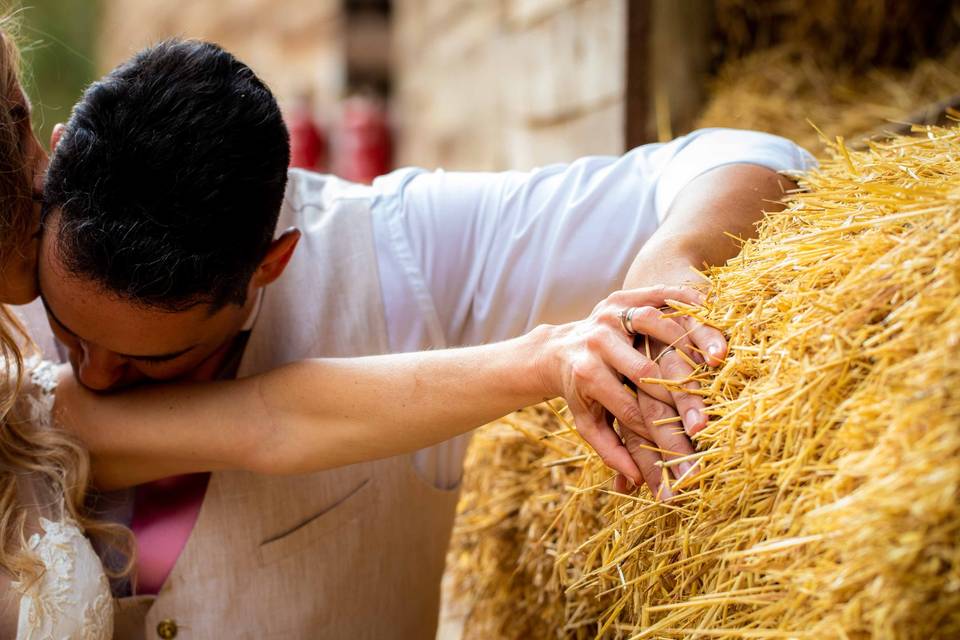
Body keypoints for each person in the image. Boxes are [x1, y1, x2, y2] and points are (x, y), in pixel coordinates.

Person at [14, 39, 814, 639]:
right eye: (70, 332)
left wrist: (665, 272)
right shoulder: (8, 283)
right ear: (51, 169)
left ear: (272, 263)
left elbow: (755, 156)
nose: (99, 379)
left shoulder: (402, 253)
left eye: (156, 357)